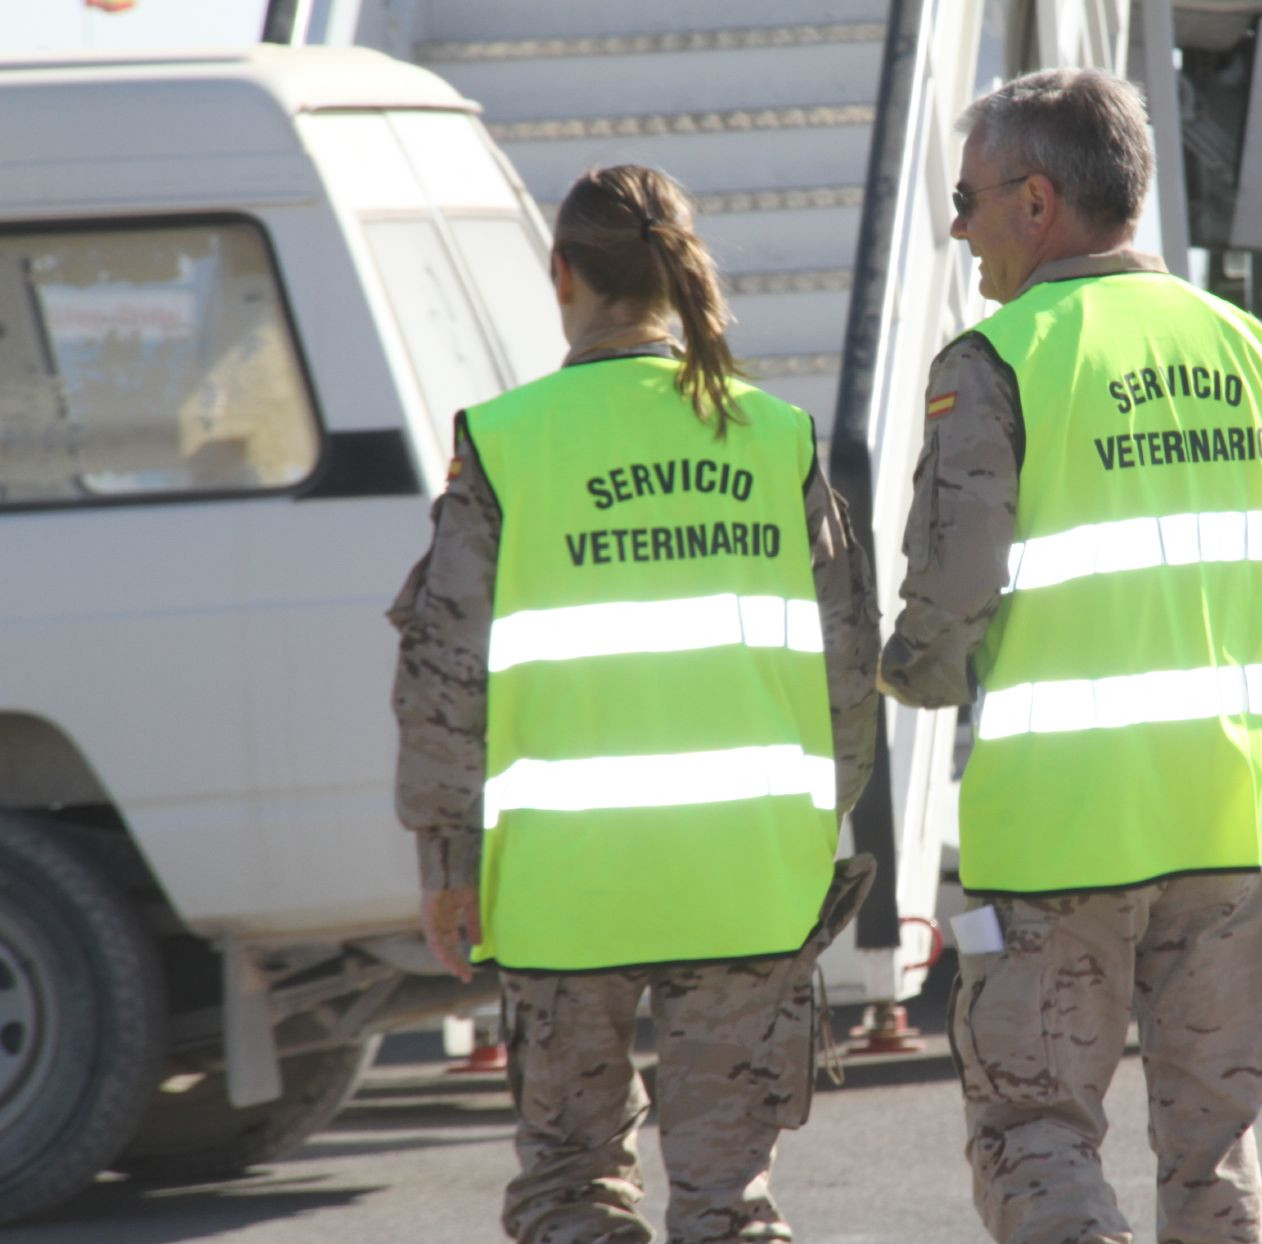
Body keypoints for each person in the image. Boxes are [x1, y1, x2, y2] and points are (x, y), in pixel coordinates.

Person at [876, 70, 1262, 1244]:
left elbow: (951, 595)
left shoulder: (997, 361)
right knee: (1214, 1150)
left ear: (1036, 202)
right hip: (1228, 820)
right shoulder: (1252, 351)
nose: (958, 227)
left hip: (1062, 831)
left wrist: (903, 672)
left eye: (967, 198)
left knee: (1035, 1129)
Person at [389, 163, 881, 1244]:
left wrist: (445, 861)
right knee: (728, 1202)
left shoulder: (510, 445)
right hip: (747, 882)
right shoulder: (777, 439)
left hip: (567, 894)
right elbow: (851, 676)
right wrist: (808, 838)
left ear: (558, 272)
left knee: (573, 1191)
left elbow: (442, 678)